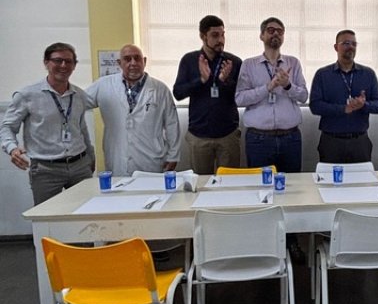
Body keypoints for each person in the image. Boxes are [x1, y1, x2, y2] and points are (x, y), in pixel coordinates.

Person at [235, 17, 308, 263]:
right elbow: (240, 99)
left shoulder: (293, 63)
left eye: (279, 31)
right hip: (259, 139)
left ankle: (291, 241)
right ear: (262, 36)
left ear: (283, 36)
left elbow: (304, 96)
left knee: (291, 193)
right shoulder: (249, 65)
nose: (275, 34)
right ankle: (263, 243)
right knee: (261, 192)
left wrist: (287, 85)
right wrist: (268, 86)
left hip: (290, 138)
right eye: (270, 30)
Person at [0, 42, 95, 205]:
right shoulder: (27, 95)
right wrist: (12, 149)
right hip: (46, 170)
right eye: (57, 60)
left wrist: (90, 157)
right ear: (46, 63)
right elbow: (7, 127)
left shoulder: (79, 95)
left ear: (74, 65)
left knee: (85, 212)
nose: (63, 65)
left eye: (68, 61)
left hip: (80, 166)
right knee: (47, 216)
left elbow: (81, 128)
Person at [85, 44, 180, 176]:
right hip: (117, 158)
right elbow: (77, 103)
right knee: (119, 188)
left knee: (151, 189)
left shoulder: (160, 89)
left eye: (137, 58)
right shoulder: (103, 85)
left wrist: (173, 155)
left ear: (144, 61)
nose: (133, 63)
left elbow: (172, 124)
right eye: (127, 59)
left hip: (151, 158)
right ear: (119, 63)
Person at [173, 15, 242, 174]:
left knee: (229, 182)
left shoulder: (234, 62)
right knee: (201, 183)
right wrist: (201, 80)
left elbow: (241, 96)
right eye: (215, 35)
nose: (221, 40)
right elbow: (178, 93)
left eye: (223, 35)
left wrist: (224, 81)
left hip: (228, 135)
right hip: (199, 135)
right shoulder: (189, 60)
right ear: (203, 36)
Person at [309, 29, 378, 163]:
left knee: (362, 176)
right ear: (336, 47)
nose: (351, 47)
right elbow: (315, 106)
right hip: (331, 142)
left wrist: (364, 105)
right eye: (346, 43)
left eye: (354, 44)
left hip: (359, 141)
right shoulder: (323, 74)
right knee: (330, 176)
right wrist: (343, 109)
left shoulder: (368, 74)